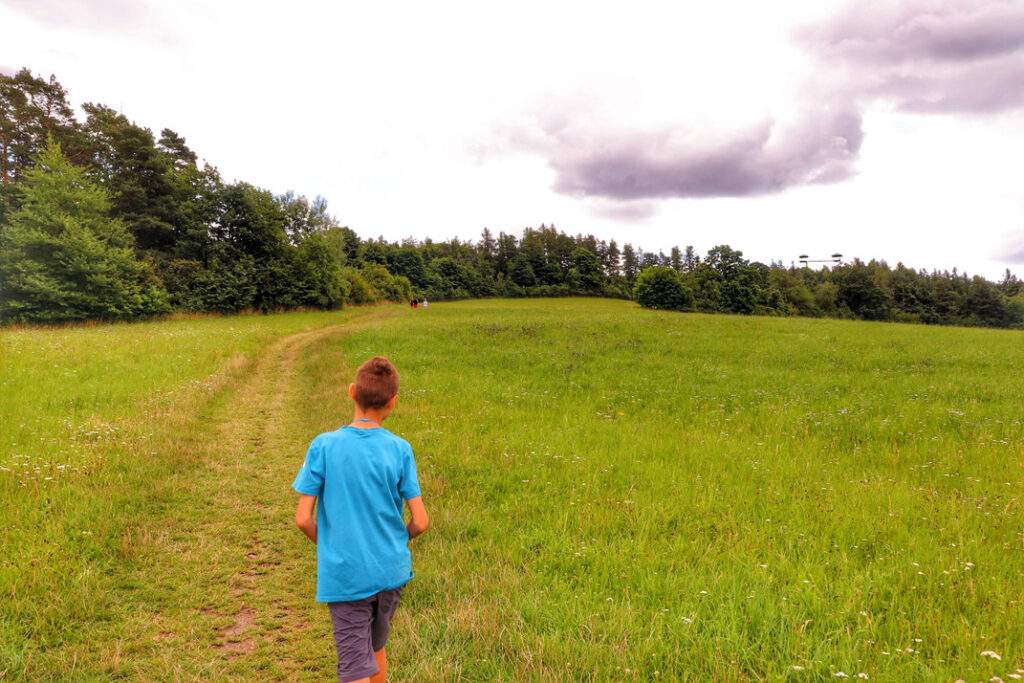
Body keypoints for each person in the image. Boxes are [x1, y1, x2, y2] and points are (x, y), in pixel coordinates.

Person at [293, 356, 429, 683]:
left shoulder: (324, 446)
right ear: (392, 402)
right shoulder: (401, 449)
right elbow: (421, 521)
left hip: (347, 575)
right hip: (391, 571)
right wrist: (396, 540)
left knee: (354, 666)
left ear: (352, 391)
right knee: (375, 647)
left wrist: (329, 544)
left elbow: (302, 519)